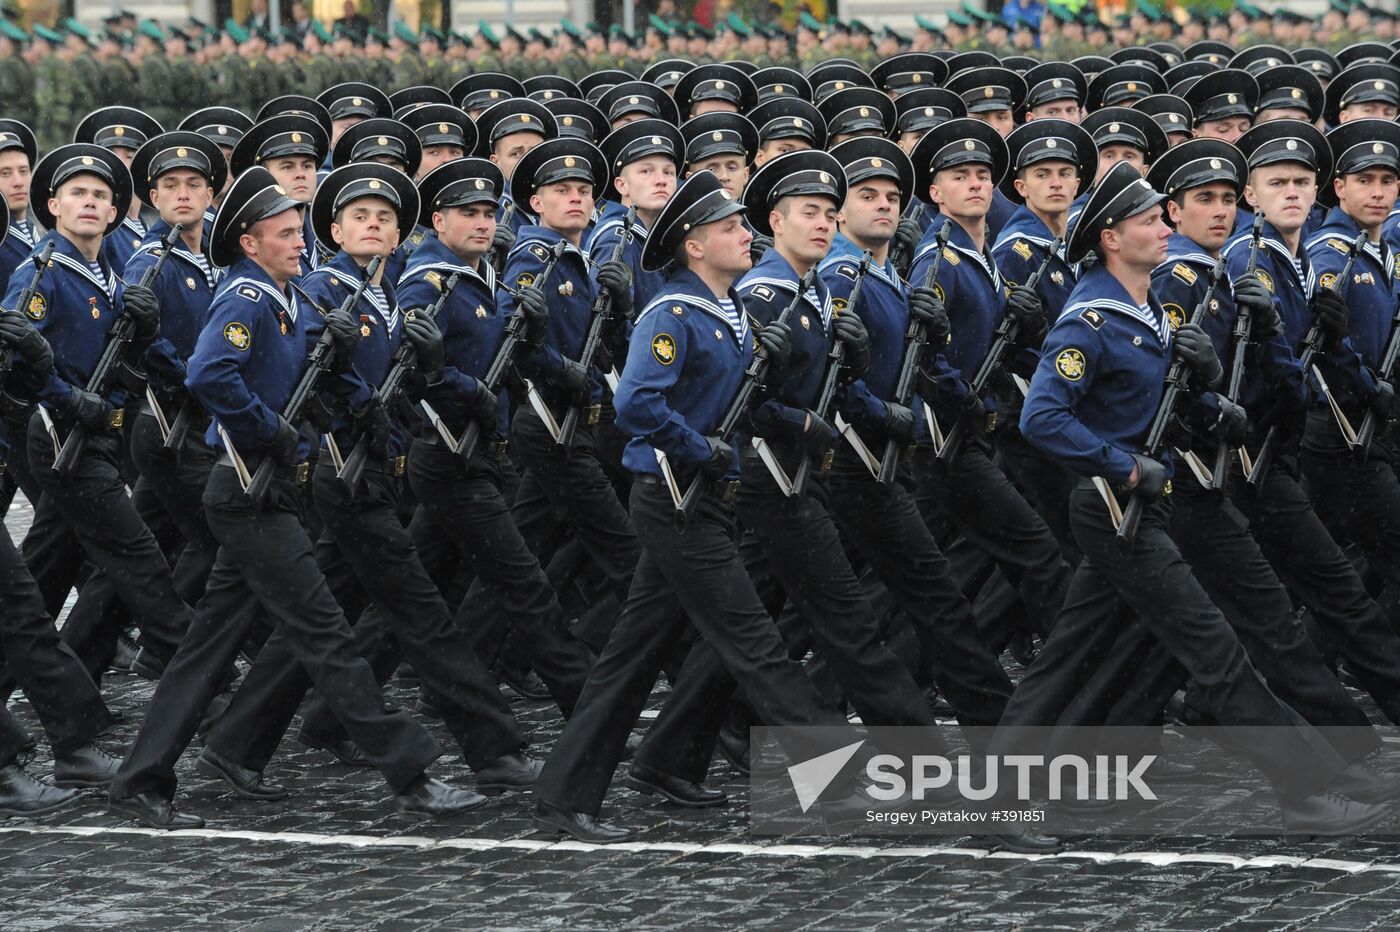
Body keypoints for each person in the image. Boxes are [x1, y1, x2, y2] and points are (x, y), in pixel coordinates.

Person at [1000, 160, 1389, 835]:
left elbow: (1149, 401)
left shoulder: (1145, 306)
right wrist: (1123, 468)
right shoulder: (1091, 318)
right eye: (1150, 219)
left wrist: (1212, 405)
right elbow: (1043, 418)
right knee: (1215, 650)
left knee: (1067, 658)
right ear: (1112, 238)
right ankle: (1306, 790)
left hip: (1140, 505)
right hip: (1116, 504)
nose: (1162, 227)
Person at [108, 166, 480, 829]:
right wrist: (265, 427)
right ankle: (411, 771)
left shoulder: (289, 299)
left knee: (206, 647)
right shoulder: (247, 297)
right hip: (246, 489)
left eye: (297, 234)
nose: (299, 246)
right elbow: (207, 372)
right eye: (284, 236)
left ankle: (144, 776)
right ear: (250, 242)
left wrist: (358, 402)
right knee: (325, 633)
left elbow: (318, 376)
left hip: (267, 490)